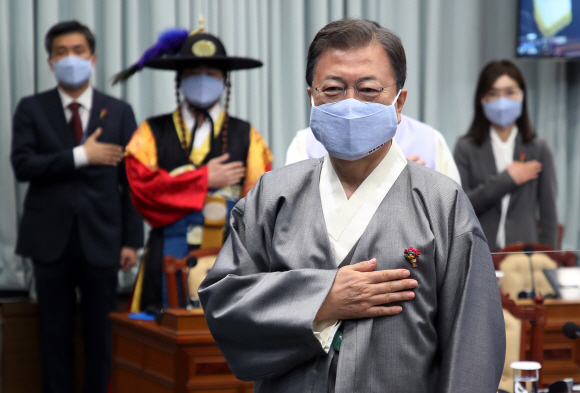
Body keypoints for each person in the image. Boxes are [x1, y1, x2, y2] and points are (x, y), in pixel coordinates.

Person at [199, 19, 505, 393]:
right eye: (332, 89)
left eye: (368, 89)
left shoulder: (442, 203)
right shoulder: (273, 195)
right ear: (311, 96)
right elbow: (223, 302)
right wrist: (322, 298)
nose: (349, 104)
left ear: (398, 102)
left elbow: (473, 343)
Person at [10, 21, 144, 393]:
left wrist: (132, 241)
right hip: (48, 241)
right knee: (54, 337)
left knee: (101, 337)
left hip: (103, 239)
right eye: (61, 52)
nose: (70, 58)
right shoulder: (31, 109)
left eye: (78, 51)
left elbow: (131, 182)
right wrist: (79, 156)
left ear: (93, 57)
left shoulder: (118, 111)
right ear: (50, 62)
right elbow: (22, 166)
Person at [114, 25, 272, 311]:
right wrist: (203, 180)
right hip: (165, 253)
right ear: (179, 80)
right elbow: (142, 191)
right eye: (192, 74)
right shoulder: (151, 131)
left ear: (225, 80)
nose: (201, 80)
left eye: (211, 74)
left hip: (228, 254)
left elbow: (259, 202)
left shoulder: (248, 136)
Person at [454, 60, 558, 252]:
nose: (502, 101)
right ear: (481, 99)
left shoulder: (538, 148)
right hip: (479, 253)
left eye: (510, 92)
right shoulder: (466, 148)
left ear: (522, 96)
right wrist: (507, 179)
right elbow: (462, 206)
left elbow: (549, 215)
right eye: (493, 93)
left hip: (525, 256)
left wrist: (550, 258)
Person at [286, 116, 461, 184]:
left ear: (398, 98)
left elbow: (452, 214)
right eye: (335, 87)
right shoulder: (306, 142)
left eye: (368, 88)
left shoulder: (428, 140)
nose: (352, 100)